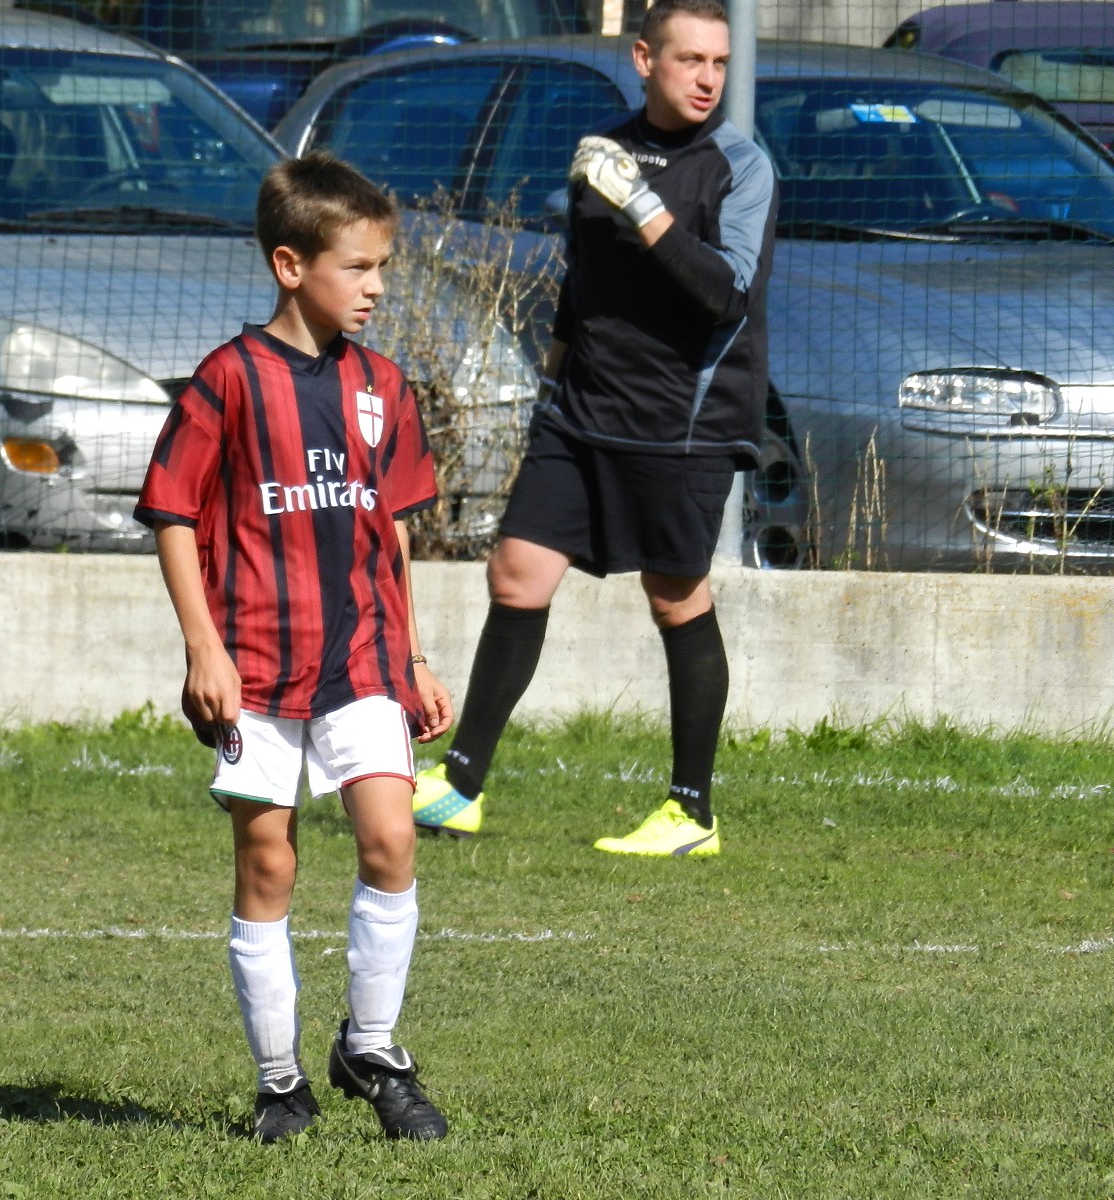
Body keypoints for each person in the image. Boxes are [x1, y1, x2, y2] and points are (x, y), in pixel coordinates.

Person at [135, 151, 454, 1144]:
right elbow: (173, 515)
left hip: (362, 658)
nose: (375, 287)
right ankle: (280, 1082)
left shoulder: (384, 387)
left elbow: (392, 530)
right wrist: (203, 648)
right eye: (356, 266)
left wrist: (414, 656)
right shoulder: (228, 381)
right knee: (267, 861)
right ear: (289, 265)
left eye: (382, 266)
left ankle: (372, 1047)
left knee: (391, 840)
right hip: (256, 666)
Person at [411, 0, 777, 855]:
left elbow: (727, 293)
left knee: (676, 597)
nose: (708, 78)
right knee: (517, 573)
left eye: (719, 63)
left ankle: (691, 813)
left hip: (681, 423)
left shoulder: (740, 165)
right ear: (644, 59)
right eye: (690, 60)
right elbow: (583, 285)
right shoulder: (602, 154)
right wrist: (552, 379)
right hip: (579, 412)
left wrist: (644, 205)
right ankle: (461, 785)